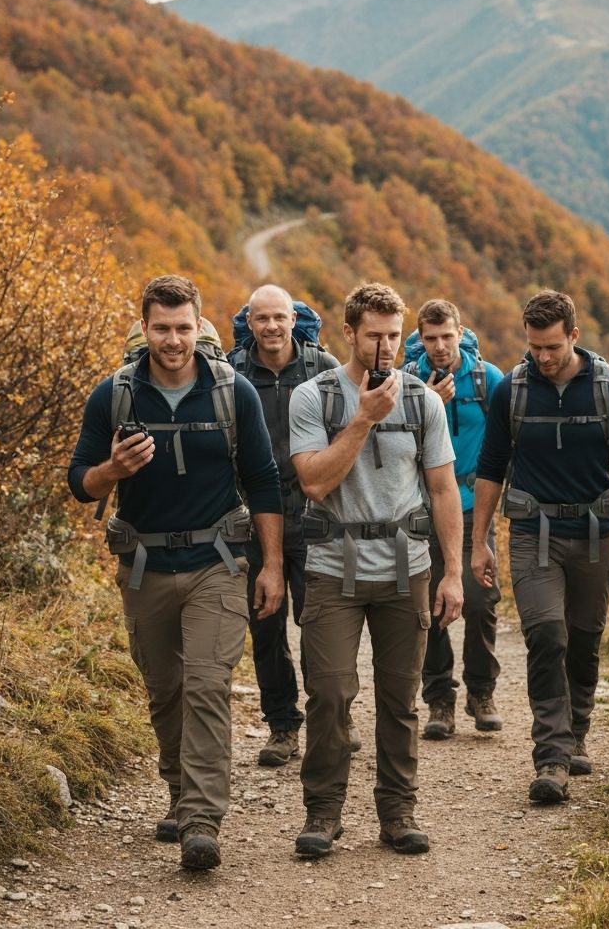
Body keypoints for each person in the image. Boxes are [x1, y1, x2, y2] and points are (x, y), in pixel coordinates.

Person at [68, 275, 283, 871]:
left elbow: (264, 481)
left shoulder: (230, 391)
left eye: (183, 327)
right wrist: (111, 470)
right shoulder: (112, 395)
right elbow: (79, 484)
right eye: (161, 328)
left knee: (207, 684)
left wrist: (272, 567)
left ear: (199, 326)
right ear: (144, 328)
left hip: (217, 563)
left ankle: (201, 821)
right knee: (165, 691)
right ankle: (179, 792)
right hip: (143, 567)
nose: (173, 339)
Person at [287, 282, 464, 857]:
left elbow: (442, 490)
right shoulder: (314, 397)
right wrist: (362, 419)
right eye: (374, 336)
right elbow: (313, 481)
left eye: (394, 335)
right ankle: (323, 813)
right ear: (350, 333)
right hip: (331, 567)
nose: (386, 346)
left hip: (405, 566)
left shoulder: (424, 402)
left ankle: (397, 811)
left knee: (400, 696)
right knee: (331, 692)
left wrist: (453, 572)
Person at [470, 289, 609, 804]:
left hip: (595, 536)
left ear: (573, 335)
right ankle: (550, 755)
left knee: (583, 637)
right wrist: (480, 542)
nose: (543, 358)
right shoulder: (514, 390)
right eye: (534, 348)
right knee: (547, 634)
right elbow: (490, 467)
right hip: (532, 534)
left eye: (551, 347)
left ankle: (576, 733)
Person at [227, 285, 364, 766]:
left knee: (321, 627)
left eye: (278, 317)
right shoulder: (233, 373)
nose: (270, 326)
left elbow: (353, 433)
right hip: (252, 520)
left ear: (292, 319)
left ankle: (332, 719)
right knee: (265, 628)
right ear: (249, 322)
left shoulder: (321, 368)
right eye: (260, 318)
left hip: (315, 519)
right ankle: (282, 726)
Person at [401, 300, 506, 739]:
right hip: (423, 510)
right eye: (431, 338)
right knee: (428, 607)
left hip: (473, 507)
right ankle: (439, 700)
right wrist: (427, 402)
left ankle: (482, 692)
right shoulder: (407, 381)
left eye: (448, 337)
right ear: (420, 338)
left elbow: (505, 442)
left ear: (461, 332)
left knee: (480, 602)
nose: (440, 346)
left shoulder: (489, 379)